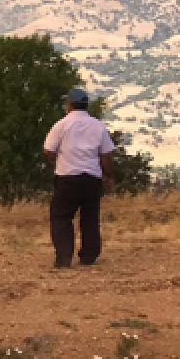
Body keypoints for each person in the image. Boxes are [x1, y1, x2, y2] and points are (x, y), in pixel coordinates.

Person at [44, 87, 115, 267]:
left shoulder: (61, 125)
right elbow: (107, 155)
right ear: (86, 105)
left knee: (61, 217)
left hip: (67, 178)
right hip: (91, 179)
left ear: (69, 105)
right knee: (90, 217)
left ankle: (64, 257)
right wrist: (108, 175)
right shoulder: (98, 126)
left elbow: (48, 150)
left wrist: (58, 161)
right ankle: (89, 256)